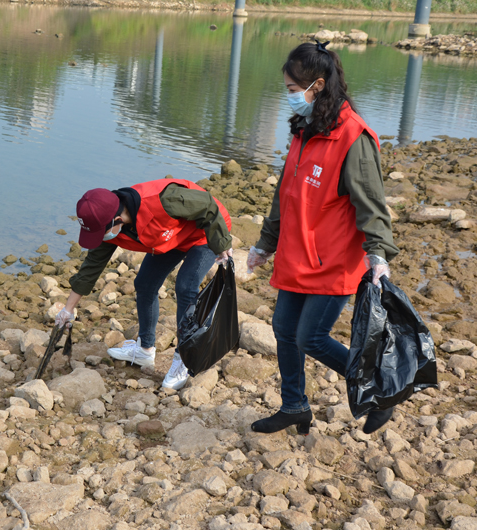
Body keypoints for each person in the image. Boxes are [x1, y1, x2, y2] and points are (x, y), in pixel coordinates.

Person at [246, 41, 399, 435]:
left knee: (311, 337)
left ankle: (379, 391)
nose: (290, 99)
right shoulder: (305, 128)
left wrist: (378, 255)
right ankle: (295, 405)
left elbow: (372, 204)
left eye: (293, 92)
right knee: (283, 330)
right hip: (297, 256)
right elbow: (287, 191)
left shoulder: (354, 138)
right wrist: (266, 242)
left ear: (317, 85)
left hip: (332, 260)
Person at [55, 178, 233, 390]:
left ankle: (184, 359)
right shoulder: (109, 227)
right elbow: (90, 269)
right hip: (170, 238)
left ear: (117, 219)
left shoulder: (165, 201)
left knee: (186, 286)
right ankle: (145, 350)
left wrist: (222, 245)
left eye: (98, 233)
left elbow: (208, 205)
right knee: (145, 284)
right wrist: (68, 309)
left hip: (205, 232)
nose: (99, 238)